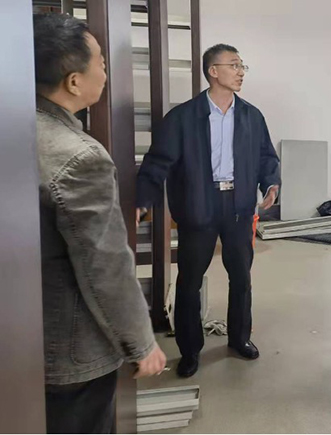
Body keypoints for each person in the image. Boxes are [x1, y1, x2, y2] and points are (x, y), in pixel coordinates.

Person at [34, 14, 166, 434]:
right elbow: (105, 265)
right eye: (102, 63)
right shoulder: (78, 157)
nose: (106, 74)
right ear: (74, 81)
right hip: (68, 347)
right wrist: (141, 342)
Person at [136, 44, 281, 378]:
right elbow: (157, 163)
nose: (241, 72)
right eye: (234, 65)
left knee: (241, 277)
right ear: (213, 71)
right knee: (189, 281)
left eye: (242, 66)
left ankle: (239, 339)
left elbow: (266, 157)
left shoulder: (251, 116)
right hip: (198, 205)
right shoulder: (182, 118)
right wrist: (143, 201)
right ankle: (190, 350)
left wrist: (271, 184)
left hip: (239, 206)